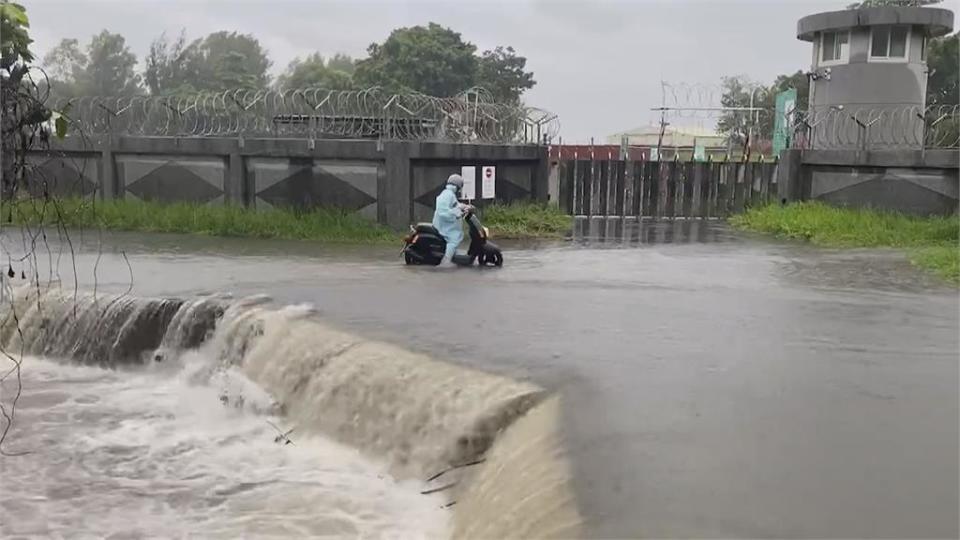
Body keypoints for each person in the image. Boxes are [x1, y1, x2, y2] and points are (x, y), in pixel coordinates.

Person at [432, 174, 472, 266]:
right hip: (443, 225)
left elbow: (455, 205)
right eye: (460, 187)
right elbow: (443, 211)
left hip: (446, 225)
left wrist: (465, 206)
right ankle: (446, 261)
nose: (460, 190)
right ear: (457, 186)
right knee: (453, 240)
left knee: (455, 238)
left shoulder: (449, 194)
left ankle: (453, 255)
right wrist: (457, 213)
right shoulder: (447, 195)